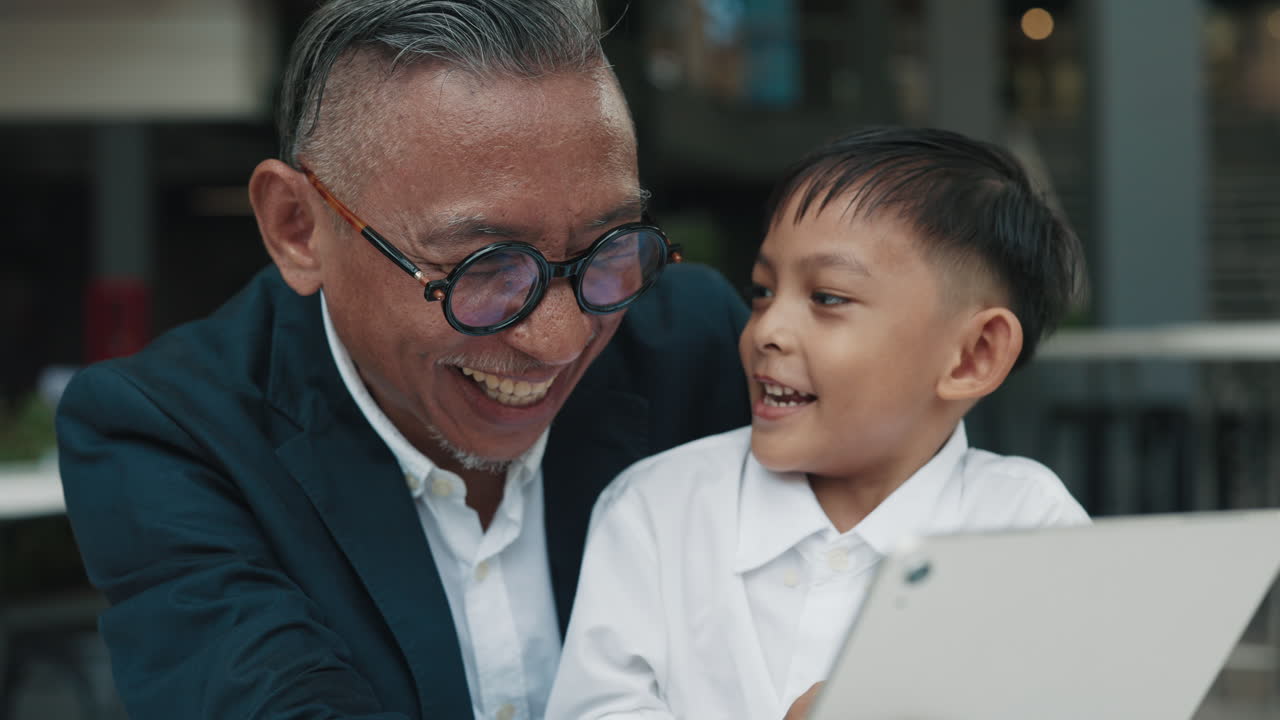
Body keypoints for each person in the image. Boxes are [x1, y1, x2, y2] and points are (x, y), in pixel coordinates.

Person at [55, 2, 749, 718]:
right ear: (298, 228)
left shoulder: (693, 344)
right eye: (485, 266)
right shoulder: (170, 435)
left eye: (608, 245)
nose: (562, 339)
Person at [546, 126, 1093, 720]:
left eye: (828, 298)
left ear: (973, 356)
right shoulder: (656, 510)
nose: (766, 330)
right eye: (761, 291)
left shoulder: (1029, 526)